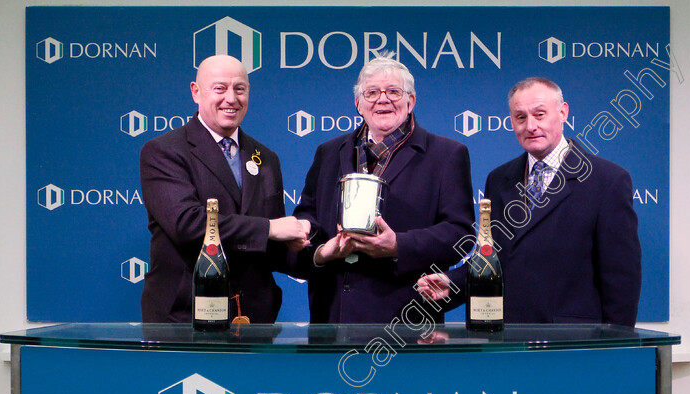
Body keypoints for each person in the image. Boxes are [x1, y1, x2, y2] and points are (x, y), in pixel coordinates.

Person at [417, 77, 641, 326]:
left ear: (563, 112)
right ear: (511, 121)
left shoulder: (607, 181)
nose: (531, 126)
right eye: (521, 117)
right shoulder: (500, 179)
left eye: (540, 114)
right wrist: (453, 282)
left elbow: (621, 279)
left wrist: (617, 344)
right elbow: (496, 256)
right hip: (508, 339)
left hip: (573, 343)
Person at [290, 55, 475, 324]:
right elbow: (307, 219)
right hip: (332, 317)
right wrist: (321, 251)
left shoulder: (447, 155)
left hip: (406, 320)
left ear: (411, 101)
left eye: (393, 92)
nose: (382, 99)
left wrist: (398, 245)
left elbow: (460, 234)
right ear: (359, 104)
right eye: (372, 92)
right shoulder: (329, 152)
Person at [139, 55, 309, 323]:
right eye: (220, 88)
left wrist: (320, 251)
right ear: (196, 92)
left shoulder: (265, 158)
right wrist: (271, 228)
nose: (231, 98)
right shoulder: (164, 152)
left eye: (239, 89)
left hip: (254, 317)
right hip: (185, 316)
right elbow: (187, 224)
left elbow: (270, 245)